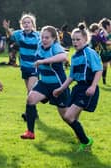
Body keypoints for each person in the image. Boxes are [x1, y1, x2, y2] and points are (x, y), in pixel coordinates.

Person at [53, 24, 103, 152]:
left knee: (68, 117)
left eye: (78, 39)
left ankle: (86, 142)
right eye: (73, 40)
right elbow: (72, 77)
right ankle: (83, 142)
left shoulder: (90, 53)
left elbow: (98, 70)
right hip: (78, 88)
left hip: (87, 89)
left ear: (85, 39)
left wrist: (93, 86)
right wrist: (61, 89)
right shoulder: (75, 56)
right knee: (71, 117)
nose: (75, 42)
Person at [20, 26, 69, 139]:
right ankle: (30, 132)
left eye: (47, 37)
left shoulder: (55, 47)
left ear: (54, 39)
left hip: (58, 86)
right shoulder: (40, 46)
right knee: (30, 98)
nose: (44, 40)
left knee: (67, 117)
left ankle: (80, 135)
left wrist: (43, 61)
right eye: (42, 37)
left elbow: (63, 56)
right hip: (44, 83)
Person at [3, 13, 40, 121]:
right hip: (24, 67)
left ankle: (28, 113)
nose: (26, 24)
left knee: (30, 90)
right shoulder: (19, 34)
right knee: (29, 92)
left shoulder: (38, 35)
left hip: (34, 66)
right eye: (24, 22)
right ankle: (34, 113)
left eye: (28, 22)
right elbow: (11, 35)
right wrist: (6, 28)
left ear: (32, 24)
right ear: (21, 24)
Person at [98, 18, 111, 84]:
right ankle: (104, 81)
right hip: (104, 54)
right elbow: (106, 42)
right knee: (105, 67)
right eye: (110, 25)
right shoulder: (101, 33)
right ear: (107, 26)